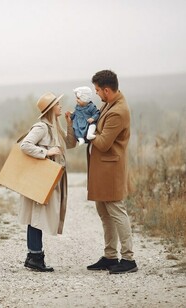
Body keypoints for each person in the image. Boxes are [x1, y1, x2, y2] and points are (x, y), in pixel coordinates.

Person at [86, 70, 138, 274]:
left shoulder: (118, 111)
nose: (96, 94)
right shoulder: (109, 103)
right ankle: (110, 256)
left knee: (116, 211)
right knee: (104, 212)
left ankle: (128, 259)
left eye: (98, 90)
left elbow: (104, 143)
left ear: (107, 90)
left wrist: (90, 134)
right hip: (102, 169)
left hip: (111, 169)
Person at [18, 92, 76, 272]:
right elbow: (25, 145)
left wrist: (69, 124)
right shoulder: (42, 127)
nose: (60, 106)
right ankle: (35, 257)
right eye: (58, 104)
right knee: (36, 215)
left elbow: (71, 143)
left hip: (50, 179)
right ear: (51, 108)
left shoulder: (54, 127)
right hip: (41, 179)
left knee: (39, 215)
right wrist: (46, 153)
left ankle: (33, 256)